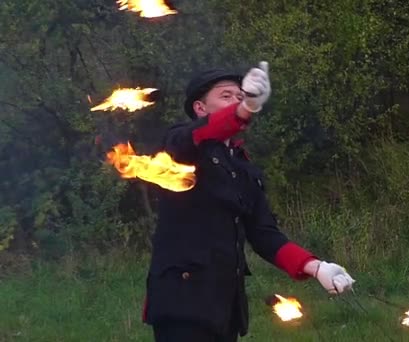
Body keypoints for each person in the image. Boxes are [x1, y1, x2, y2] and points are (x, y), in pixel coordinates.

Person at [143, 61, 355, 341]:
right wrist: (245, 109)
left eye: (241, 96)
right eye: (226, 96)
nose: (237, 101)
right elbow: (196, 135)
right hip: (183, 302)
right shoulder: (181, 146)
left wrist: (316, 267)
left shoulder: (243, 168)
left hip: (224, 308)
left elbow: (264, 233)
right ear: (200, 108)